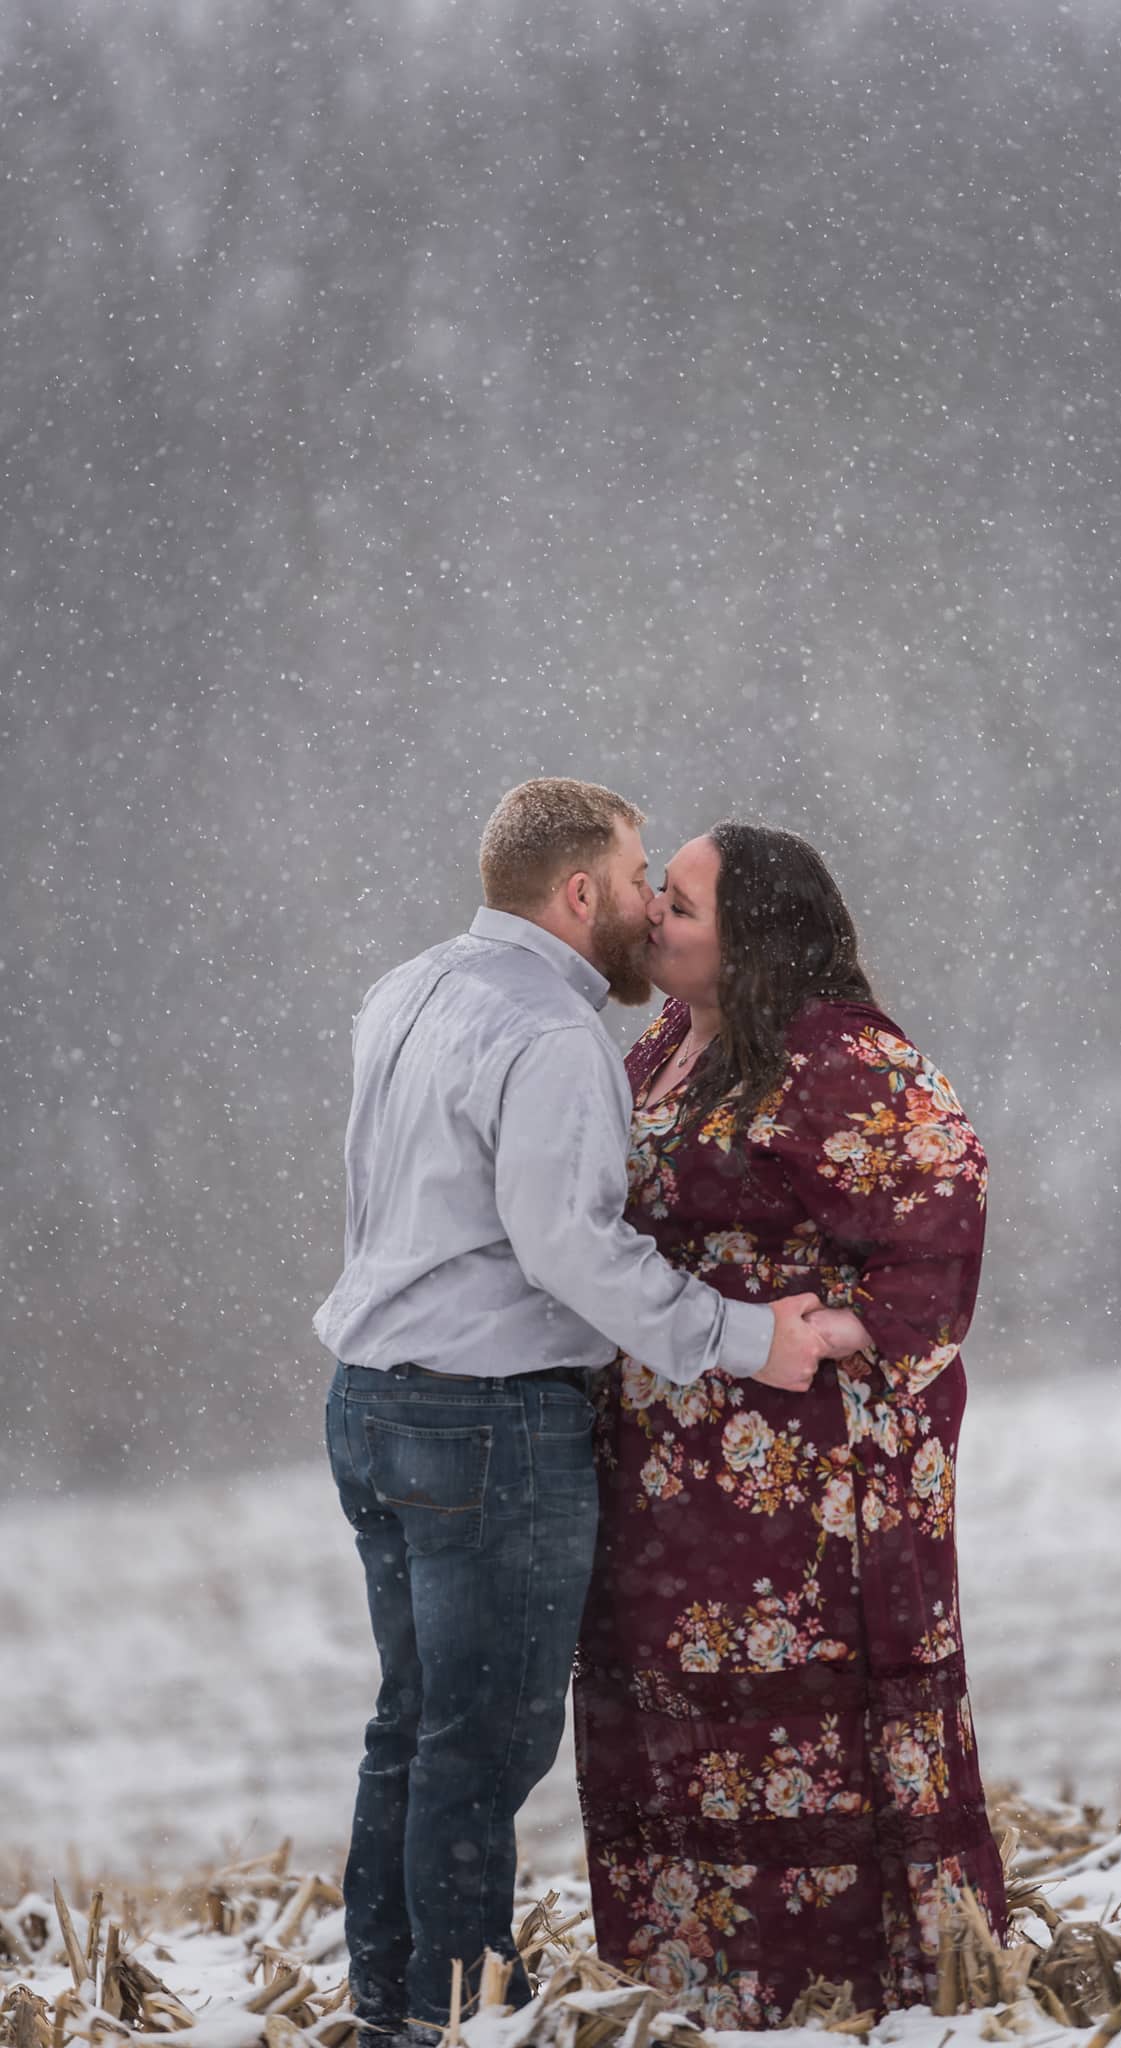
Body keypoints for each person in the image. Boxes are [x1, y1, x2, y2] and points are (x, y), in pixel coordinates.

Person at [313, 781, 857, 2040]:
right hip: (486, 1417)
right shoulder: (553, 1038)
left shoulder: (408, 989)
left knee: (412, 1721)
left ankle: (392, 2000)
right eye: (632, 882)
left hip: (371, 1397)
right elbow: (571, 1245)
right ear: (576, 895)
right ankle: (453, 2016)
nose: (648, 906)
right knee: (484, 1743)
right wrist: (741, 1338)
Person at [574, 822, 1007, 2024]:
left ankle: (846, 1980)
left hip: (811, 1470)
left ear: (753, 934)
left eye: (684, 904)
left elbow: (941, 1197)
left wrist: (841, 1331)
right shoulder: (663, 1041)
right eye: (658, 892)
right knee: (670, 1701)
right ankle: (699, 1983)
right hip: (669, 1466)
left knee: (804, 1698)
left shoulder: (834, 1051)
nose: (653, 914)